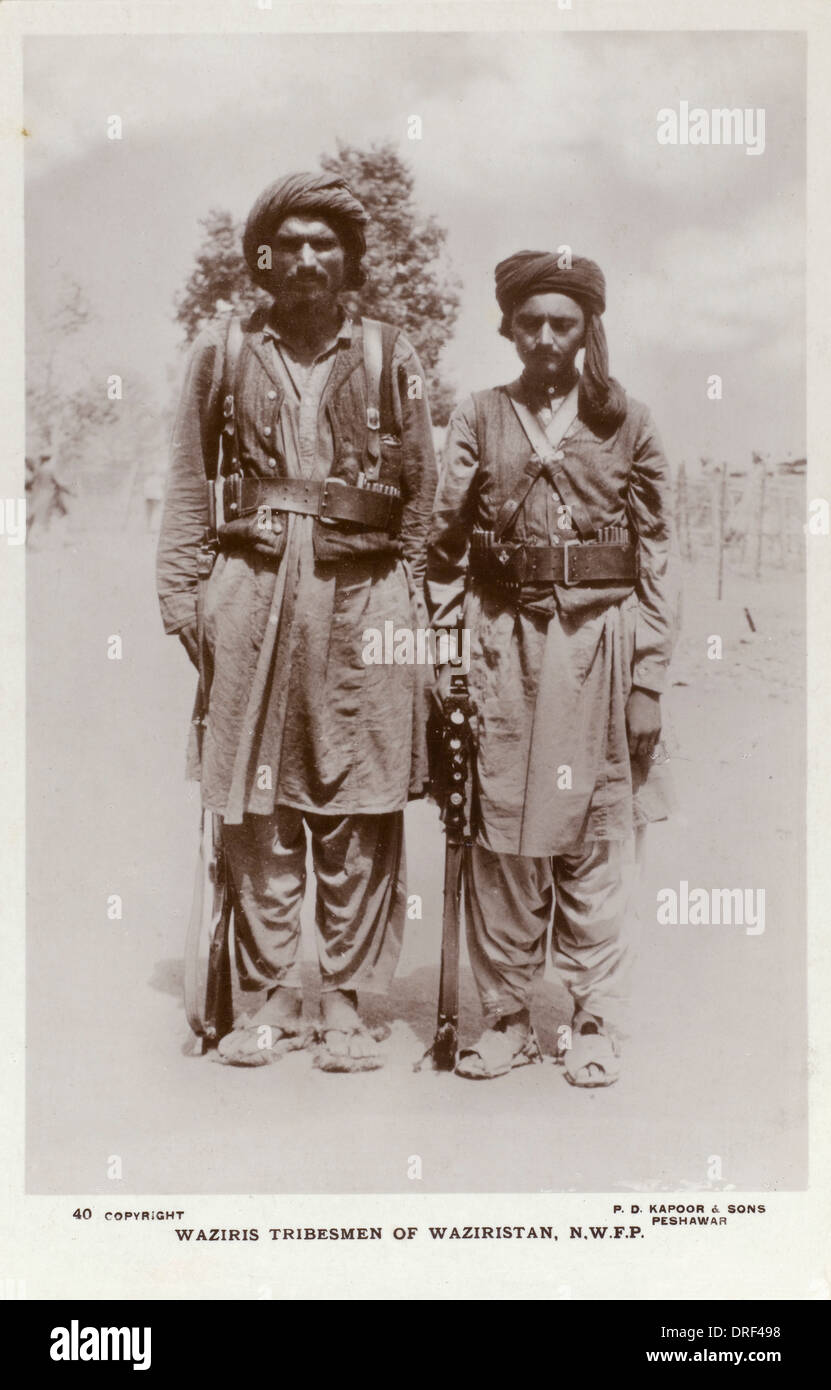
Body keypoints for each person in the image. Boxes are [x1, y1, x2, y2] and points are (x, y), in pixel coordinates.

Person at [157, 172, 436, 1070]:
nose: (310, 258)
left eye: (328, 244)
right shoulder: (224, 352)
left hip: (365, 597)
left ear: (349, 261)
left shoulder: (394, 354)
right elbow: (191, 481)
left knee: (359, 800)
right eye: (292, 243)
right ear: (264, 260)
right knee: (258, 802)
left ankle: (348, 1002)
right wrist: (183, 597)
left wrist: (418, 610)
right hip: (252, 586)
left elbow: (424, 497)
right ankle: (271, 993)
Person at [425, 249, 679, 1085]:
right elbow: (443, 546)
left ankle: (594, 1016)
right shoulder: (477, 415)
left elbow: (658, 557)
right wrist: (444, 649)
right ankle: (503, 1016)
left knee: (597, 836)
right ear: (507, 327)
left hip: (600, 649)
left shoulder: (628, 421)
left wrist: (646, 680)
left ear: (586, 329)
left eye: (561, 323)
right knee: (503, 836)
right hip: (502, 648)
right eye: (528, 322)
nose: (544, 337)